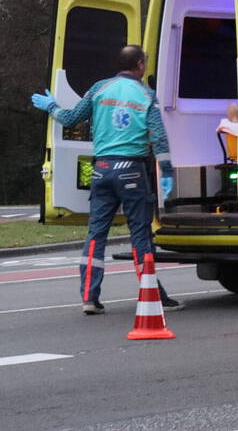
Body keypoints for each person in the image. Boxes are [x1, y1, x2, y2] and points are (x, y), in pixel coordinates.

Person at [31, 45, 183, 315]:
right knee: (140, 236)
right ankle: (154, 295)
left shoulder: (99, 88)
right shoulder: (147, 95)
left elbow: (71, 118)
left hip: (100, 169)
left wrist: (51, 106)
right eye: (145, 61)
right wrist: (168, 172)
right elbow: (158, 138)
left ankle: (89, 297)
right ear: (139, 65)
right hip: (132, 171)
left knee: (96, 236)